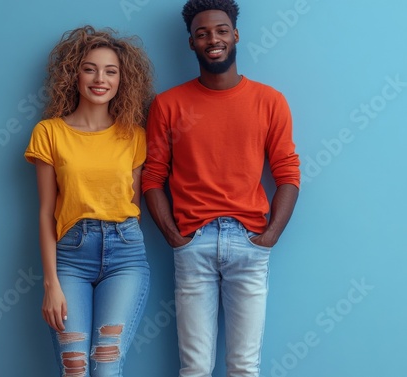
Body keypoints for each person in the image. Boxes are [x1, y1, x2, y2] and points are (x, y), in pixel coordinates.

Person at [141, 1, 300, 376]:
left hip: (249, 242)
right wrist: (174, 236)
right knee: (194, 367)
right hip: (192, 243)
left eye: (221, 30)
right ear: (191, 43)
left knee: (244, 367)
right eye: (202, 33)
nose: (213, 38)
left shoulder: (269, 101)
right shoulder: (167, 105)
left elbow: (288, 173)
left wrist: (271, 234)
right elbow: (152, 177)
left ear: (235, 35)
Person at [24, 25, 153, 377]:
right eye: (90, 68)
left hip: (125, 255)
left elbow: (134, 204)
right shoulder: (49, 133)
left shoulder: (134, 136)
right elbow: (46, 213)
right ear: (74, 74)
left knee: (106, 365)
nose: (100, 79)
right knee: (75, 369)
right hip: (70, 258)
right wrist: (51, 283)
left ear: (122, 80)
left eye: (111, 71)